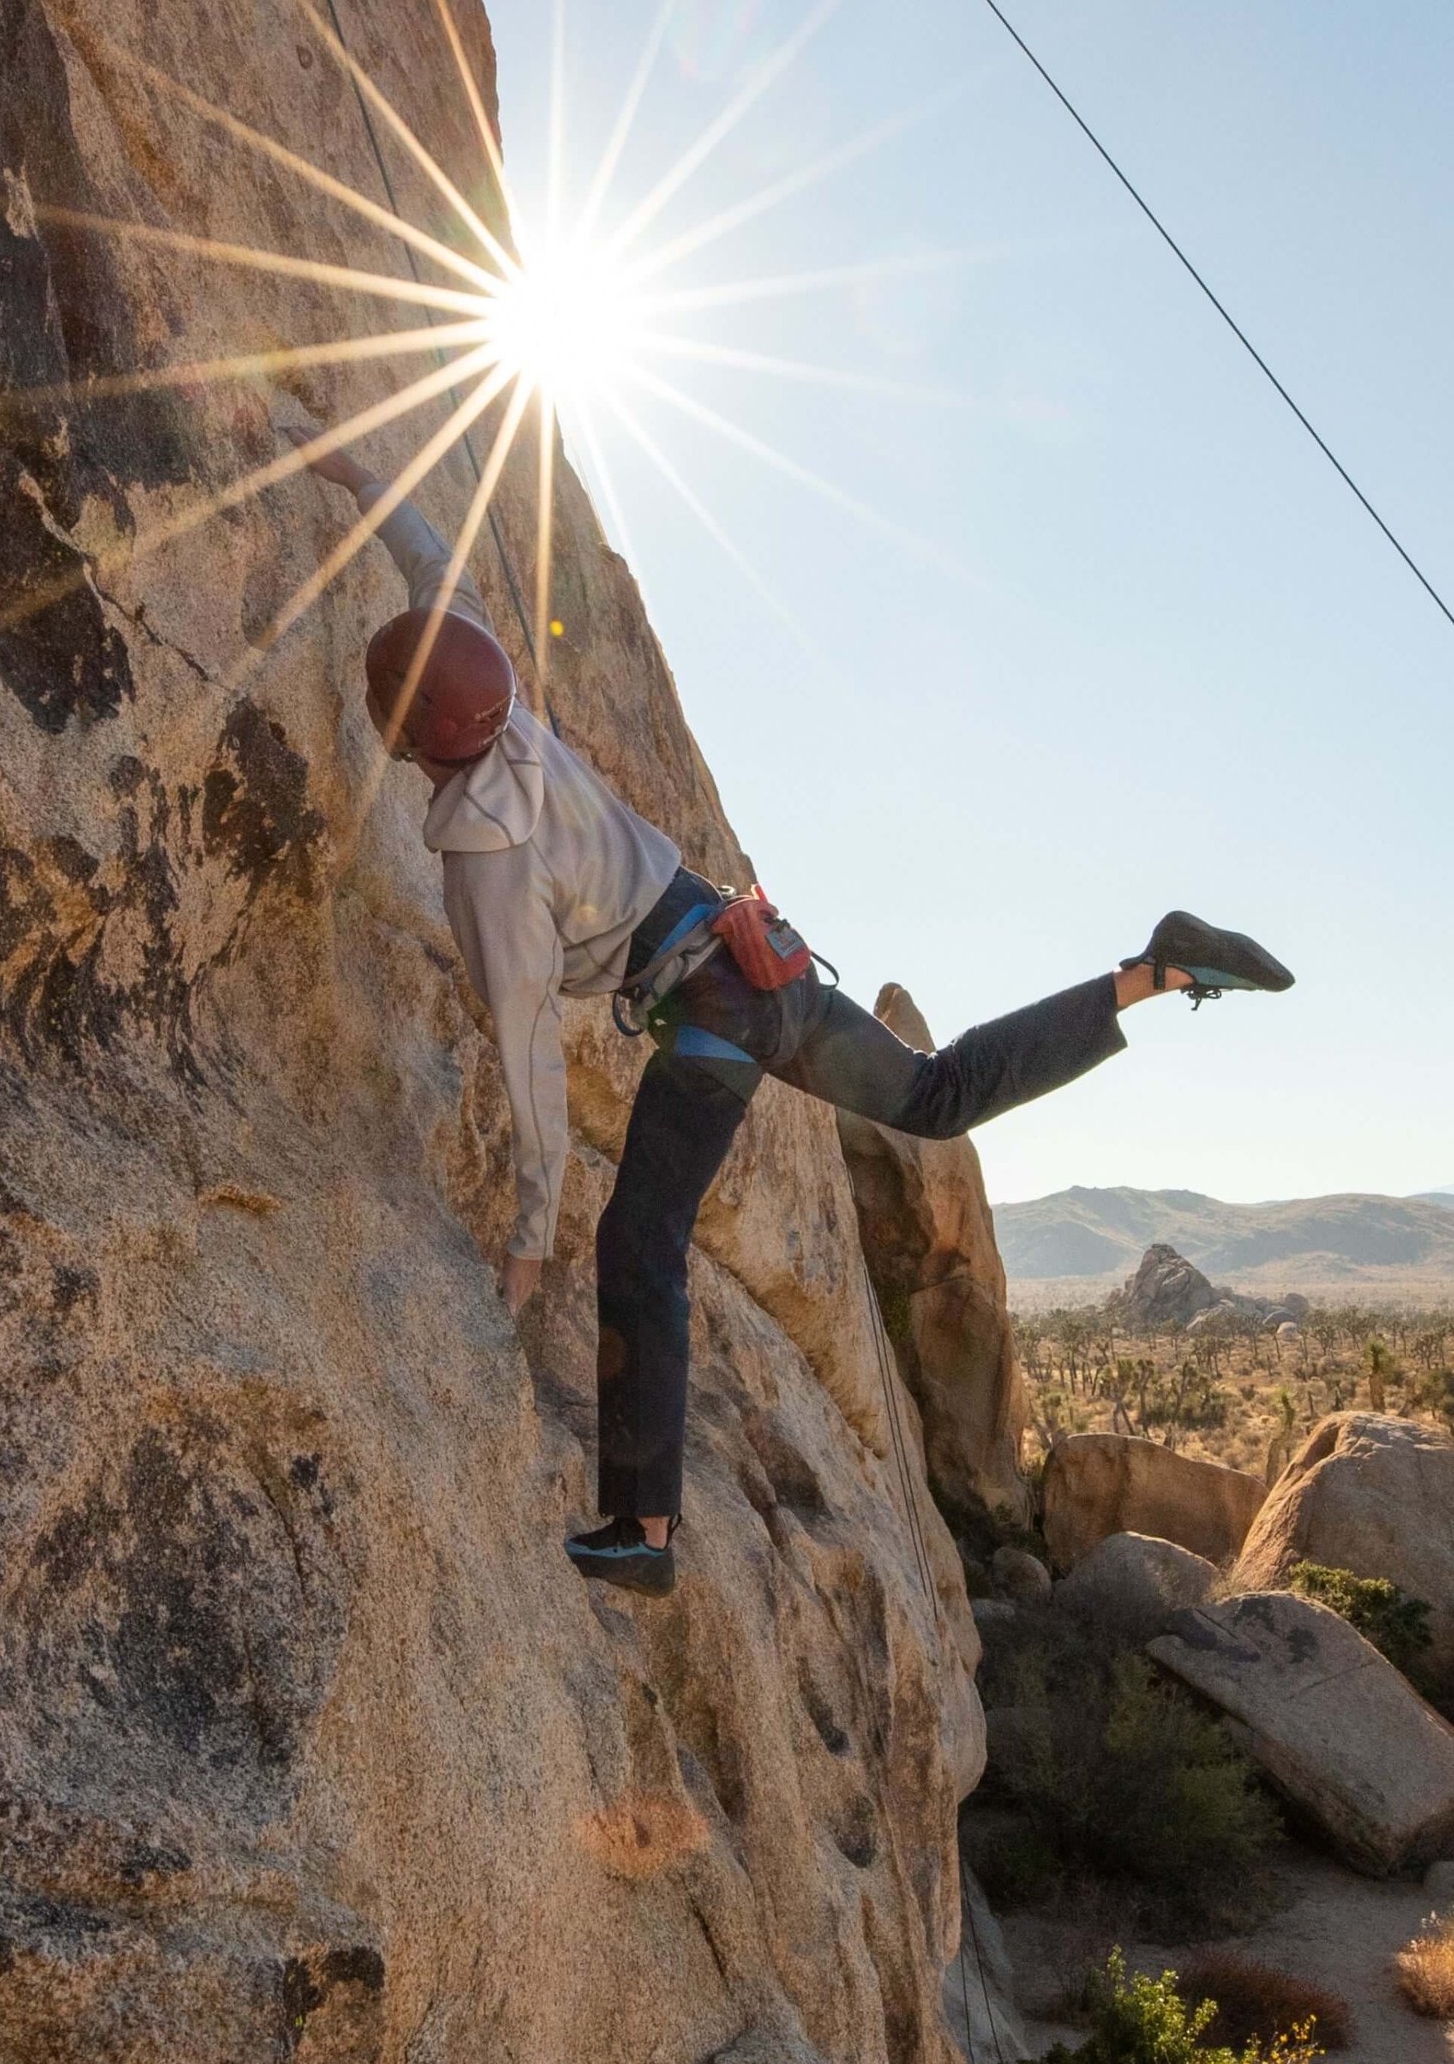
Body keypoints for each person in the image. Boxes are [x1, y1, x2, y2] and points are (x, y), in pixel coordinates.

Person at [293, 438, 1293, 1598]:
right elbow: (432, 556)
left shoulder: (486, 865)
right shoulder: (497, 695)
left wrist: (527, 1242)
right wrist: (356, 470)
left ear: (405, 734)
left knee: (639, 1244)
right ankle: (1151, 973)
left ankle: (643, 1534)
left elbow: (529, 1061)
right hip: (753, 953)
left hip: (707, 1016)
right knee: (935, 1092)